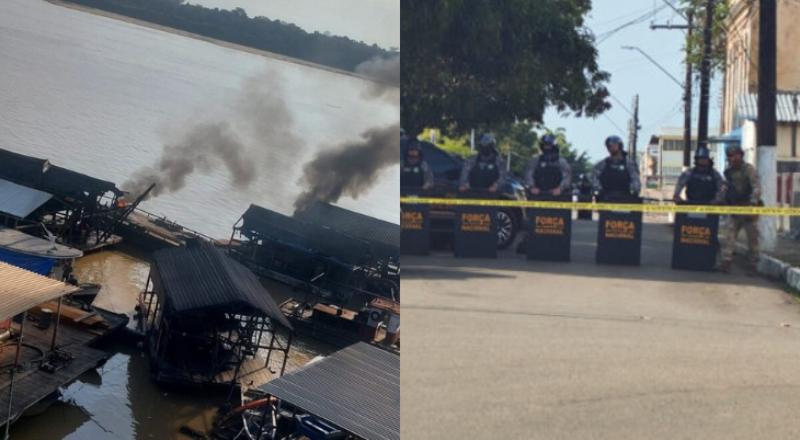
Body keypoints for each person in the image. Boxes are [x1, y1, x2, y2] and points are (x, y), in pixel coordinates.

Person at [719, 144, 761, 273]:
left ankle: (753, 265)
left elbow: (756, 187)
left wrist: (753, 203)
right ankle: (726, 262)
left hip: (748, 207)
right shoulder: (728, 172)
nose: (733, 158)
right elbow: (725, 188)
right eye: (731, 156)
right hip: (735, 208)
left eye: (735, 154)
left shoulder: (748, 169)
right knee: (729, 236)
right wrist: (721, 199)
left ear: (741, 155)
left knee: (753, 238)